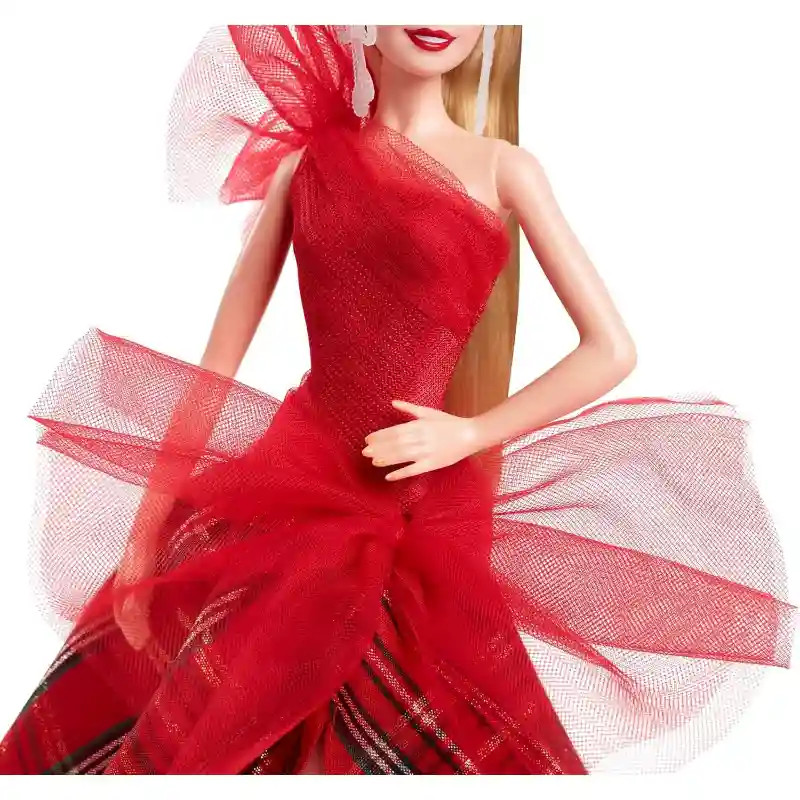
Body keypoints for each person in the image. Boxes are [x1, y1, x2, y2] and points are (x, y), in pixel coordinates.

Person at [0, 24, 795, 775]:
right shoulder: (307, 167)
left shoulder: (504, 170)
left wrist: (469, 433)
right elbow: (218, 362)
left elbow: (611, 349)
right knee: (219, 715)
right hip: (287, 495)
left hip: (418, 509)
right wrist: (145, 535)